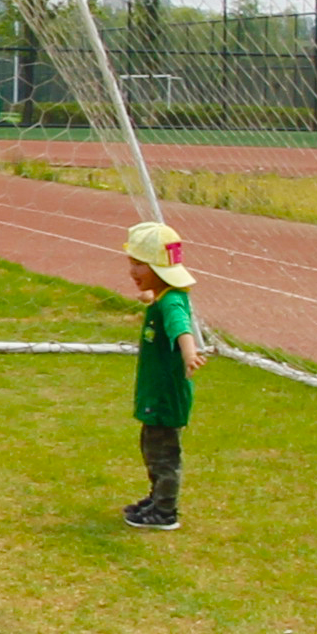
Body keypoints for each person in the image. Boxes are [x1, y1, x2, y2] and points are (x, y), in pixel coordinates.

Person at [119, 216, 207, 531]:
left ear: (158, 268)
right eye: (131, 263)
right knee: (150, 447)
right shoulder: (164, 295)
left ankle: (166, 511)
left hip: (166, 396)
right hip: (155, 392)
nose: (132, 272)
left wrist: (189, 353)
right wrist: (146, 296)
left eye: (139, 265)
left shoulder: (171, 303)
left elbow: (181, 326)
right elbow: (156, 300)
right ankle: (156, 498)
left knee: (164, 454)